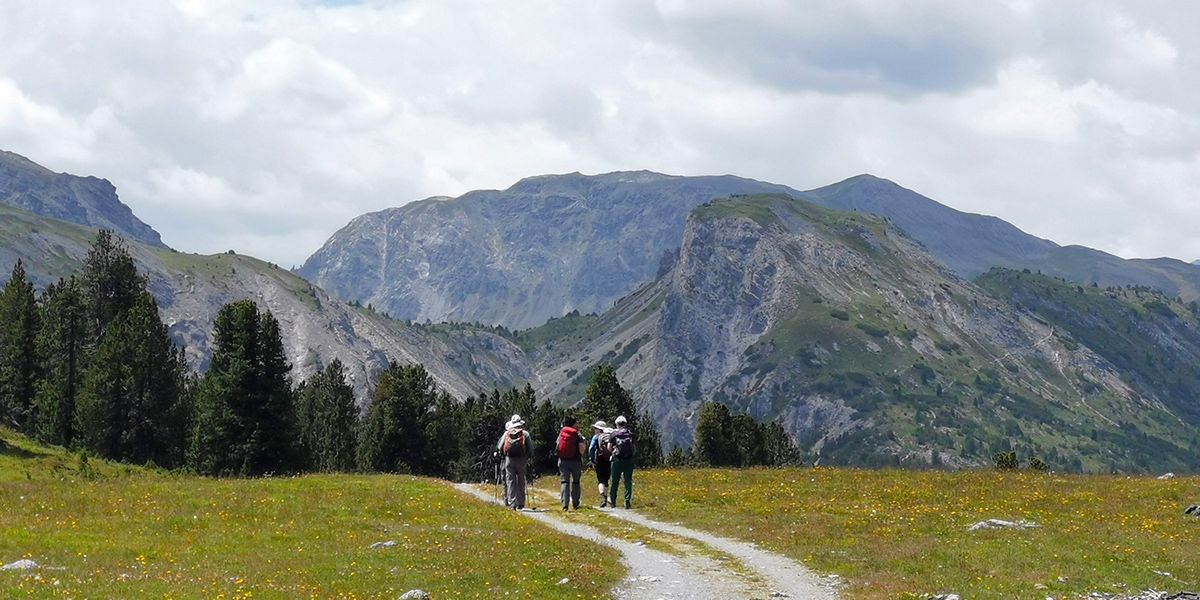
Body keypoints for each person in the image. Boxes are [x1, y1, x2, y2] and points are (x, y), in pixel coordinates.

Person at [497, 414, 532, 510]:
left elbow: (500, 447)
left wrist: (503, 455)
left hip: (509, 460)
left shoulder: (507, 433)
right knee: (521, 481)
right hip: (521, 460)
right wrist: (528, 456)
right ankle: (520, 503)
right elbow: (531, 449)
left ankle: (512, 503)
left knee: (510, 481)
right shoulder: (525, 434)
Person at [555, 415, 586, 511]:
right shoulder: (577, 435)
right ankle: (575, 503)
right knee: (576, 482)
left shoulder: (561, 433)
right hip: (575, 461)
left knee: (565, 482)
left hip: (563, 461)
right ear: (573, 424)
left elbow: (557, 445)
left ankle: (565, 504)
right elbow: (581, 450)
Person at [607, 415, 635, 509]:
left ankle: (613, 501)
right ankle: (627, 501)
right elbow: (633, 447)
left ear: (616, 424)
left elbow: (609, 447)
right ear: (625, 423)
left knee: (614, 481)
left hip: (617, 460)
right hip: (628, 460)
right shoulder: (630, 433)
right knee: (628, 481)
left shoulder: (614, 434)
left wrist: (614, 452)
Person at [587, 420, 613, 507]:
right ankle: (606, 497)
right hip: (609, 459)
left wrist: (591, 458)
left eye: (595, 428)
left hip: (599, 460)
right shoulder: (609, 436)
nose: (594, 430)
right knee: (606, 479)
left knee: (601, 480)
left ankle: (603, 497)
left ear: (598, 429)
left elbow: (591, 448)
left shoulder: (596, 437)